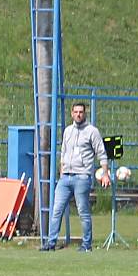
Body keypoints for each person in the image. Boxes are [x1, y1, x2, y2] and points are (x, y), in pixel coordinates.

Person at [42, 102, 110, 252]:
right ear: (71, 114)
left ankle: (86, 244)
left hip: (82, 177)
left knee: (83, 211)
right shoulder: (68, 131)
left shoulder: (92, 131)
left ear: (85, 114)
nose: (78, 114)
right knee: (56, 210)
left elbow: (101, 153)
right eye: (76, 112)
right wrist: (62, 172)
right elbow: (63, 152)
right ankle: (51, 243)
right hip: (66, 177)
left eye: (81, 112)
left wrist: (105, 173)